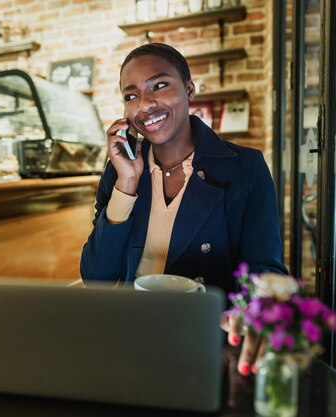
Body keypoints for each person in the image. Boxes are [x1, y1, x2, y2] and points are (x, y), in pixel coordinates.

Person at [79, 42, 288, 375]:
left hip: (208, 345)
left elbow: (265, 268)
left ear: (189, 90)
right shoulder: (120, 169)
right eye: (131, 95)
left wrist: (254, 314)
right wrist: (127, 183)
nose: (145, 105)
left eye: (159, 86)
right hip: (131, 340)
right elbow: (97, 276)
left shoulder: (245, 168)